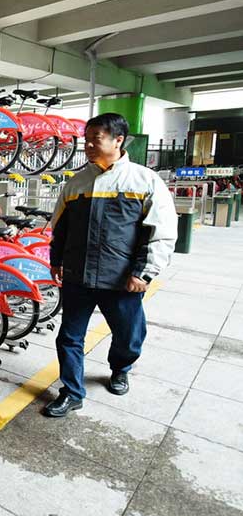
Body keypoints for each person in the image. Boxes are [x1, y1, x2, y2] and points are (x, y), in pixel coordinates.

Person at [44, 113, 178, 417]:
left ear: (118, 140)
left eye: (96, 139)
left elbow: (161, 231)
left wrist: (144, 272)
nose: (89, 145)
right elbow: (61, 228)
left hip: (122, 279)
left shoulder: (143, 181)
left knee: (129, 335)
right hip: (78, 276)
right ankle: (72, 392)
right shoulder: (77, 183)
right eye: (86, 139)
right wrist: (56, 260)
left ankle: (120, 368)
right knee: (69, 337)